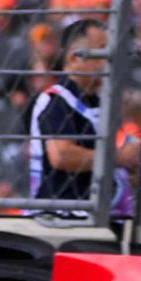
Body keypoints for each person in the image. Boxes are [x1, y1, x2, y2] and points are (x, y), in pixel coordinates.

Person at [29, 30, 104, 209]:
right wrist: (118, 159)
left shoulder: (96, 101)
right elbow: (62, 156)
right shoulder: (57, 100)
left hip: (86, 207)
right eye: (101, 52)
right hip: (59, 213)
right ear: (74, 57)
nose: (108, 62)